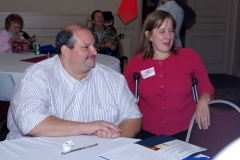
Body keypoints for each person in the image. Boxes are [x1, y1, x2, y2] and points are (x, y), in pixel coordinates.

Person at [6, 23, 142, 140]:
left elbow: (133, 117)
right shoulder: (37, 76)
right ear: (66, 51)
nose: (94, 51)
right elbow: (31, 122)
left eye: (93, 45)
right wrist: (88, 128)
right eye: (86, 47)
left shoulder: (113, 79)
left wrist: (117, 135)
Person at [123, 10, 214, 141]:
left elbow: (206, 86)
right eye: (162, 31)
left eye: (171, 31)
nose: (169, 36)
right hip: (148, 130)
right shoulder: (137, 62)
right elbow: (124, 95)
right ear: (149, 35)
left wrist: (203, 101)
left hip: (186, 129)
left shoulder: (189, 56)